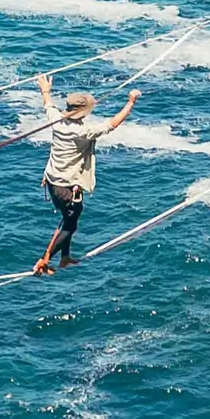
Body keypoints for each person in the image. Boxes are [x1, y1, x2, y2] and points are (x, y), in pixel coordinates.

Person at [32, 75, 138, 274]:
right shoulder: (84, 131)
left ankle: (64, 258)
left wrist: (45, 89)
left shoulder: (56, 120)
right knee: (70, 225)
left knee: (68, 219)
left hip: (52, 182)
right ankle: (44, 261)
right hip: (66, 188)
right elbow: (112, 124)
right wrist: (131, 102)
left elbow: (48, 104)